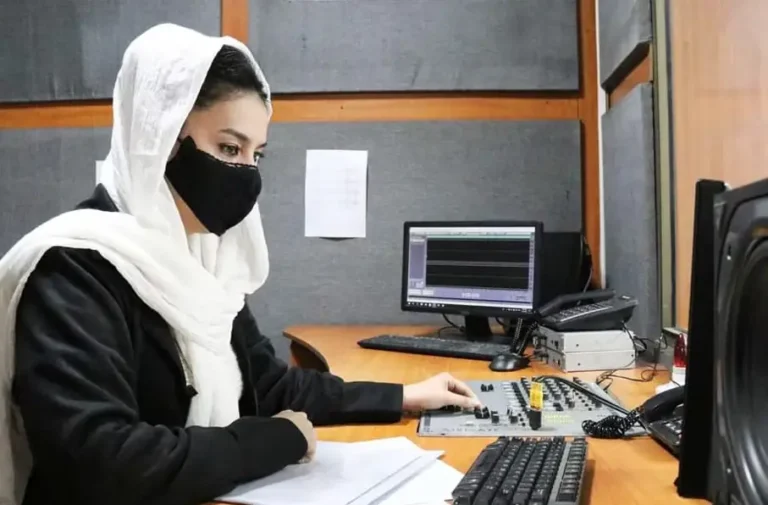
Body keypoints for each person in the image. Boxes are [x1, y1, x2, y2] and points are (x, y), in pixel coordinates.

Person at [0, 23, 483, 505]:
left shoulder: (206, 259)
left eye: (257, 155)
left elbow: (267, 384)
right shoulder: (74, 268)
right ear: (161, 137)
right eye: (229, 148)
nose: (246, 173)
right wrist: (277, 439)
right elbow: (102, 462)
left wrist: (402, 396)